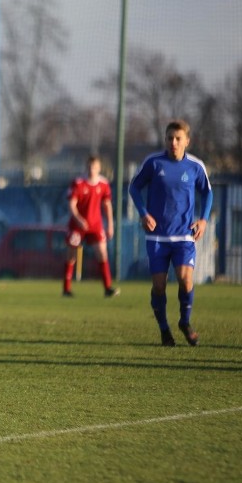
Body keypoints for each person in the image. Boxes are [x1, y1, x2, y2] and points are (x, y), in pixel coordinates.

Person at [129, 119, 213, 347]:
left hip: (184, 235)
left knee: (186, 281)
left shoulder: (196, 166)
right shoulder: (154, 163)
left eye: (178, 138)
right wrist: (143, 213)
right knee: (159, 286)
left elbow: (207, 193)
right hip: (157, 236)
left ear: (187, 140)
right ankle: (164, 330)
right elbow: (134, 187)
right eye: (169, 138)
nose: (173, 143)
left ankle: (185, 322)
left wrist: (203, 220)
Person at [62, 155, 120, 298]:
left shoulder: (104, 184)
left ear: (99, 168)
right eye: (89, 166)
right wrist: (79, 219)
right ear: (86, 167)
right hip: (77, 225)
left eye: (94, 167)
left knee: (102, 252)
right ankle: (66, 289)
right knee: (71, 255)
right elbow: (71, 205)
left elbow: (107, 206)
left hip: (95, 225)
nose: (91, 170)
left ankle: (108, 287)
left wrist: (110, 225)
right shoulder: (78, 183)